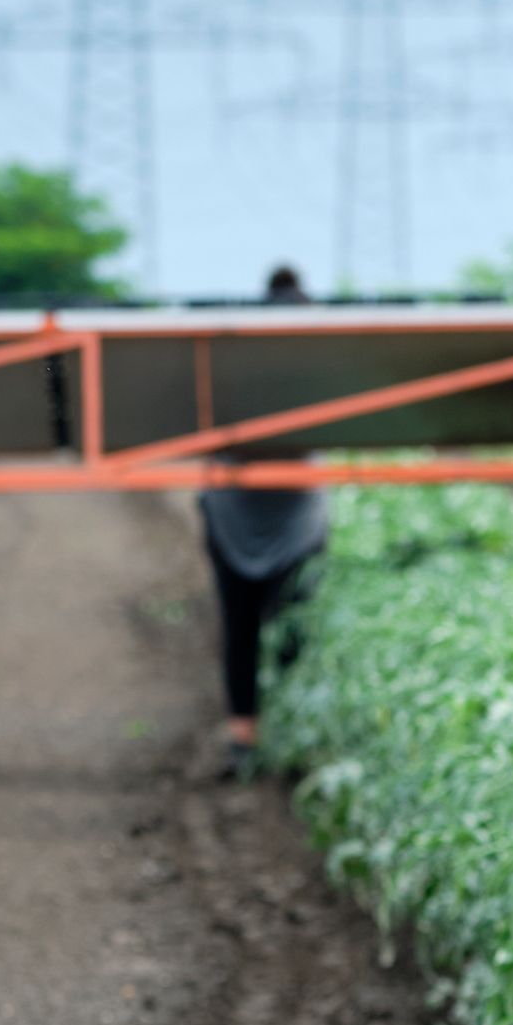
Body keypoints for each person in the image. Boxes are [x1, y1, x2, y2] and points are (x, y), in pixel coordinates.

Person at [201, 264, 329, 774]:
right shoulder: (317, 358)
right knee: (290, 624)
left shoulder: (238, 356)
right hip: (277, 510)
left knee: (243, 628)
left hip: (248, 509)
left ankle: (248, 740)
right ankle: (281, 737)